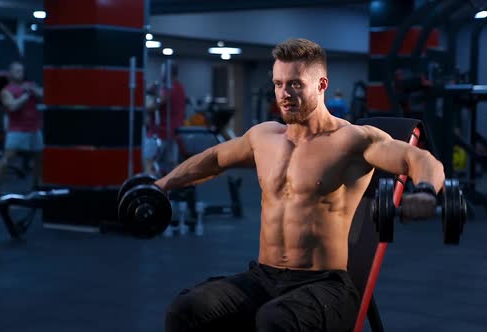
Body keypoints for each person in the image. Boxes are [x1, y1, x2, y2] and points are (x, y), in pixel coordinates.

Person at [156, 38, 445, 331]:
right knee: (187, 310)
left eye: (295, 84)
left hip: (324, 285)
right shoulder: (264, 136)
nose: (284, 93)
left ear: (321, 84)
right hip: (263, 278)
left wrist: (425, 191)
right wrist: (160, 185)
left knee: (275, 320)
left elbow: (417, 158)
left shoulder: (353, 140)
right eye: (279, 84)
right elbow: (216, 158)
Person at [0, 61, 43, 188]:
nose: (20, 74)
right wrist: (26, 95)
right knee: (7, 158)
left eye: (22, 71)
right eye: (17, 71)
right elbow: (12, 106)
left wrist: (33, 90)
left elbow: (44, 96)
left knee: (39, 159)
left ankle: (37, 187)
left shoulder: (30, 86)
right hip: (17, 130)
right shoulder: (6, 91)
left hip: (34, 129)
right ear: (10, 74)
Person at [143, 61, 187, 175]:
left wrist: (146, 97)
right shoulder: (180, 87)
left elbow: (152, 106)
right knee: (169, 168)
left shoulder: (168, 88)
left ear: (167, 73)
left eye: (162, 72)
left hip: (161, 134)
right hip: (174, 134)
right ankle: (168, 190)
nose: (161, 74)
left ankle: (151, 188)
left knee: (148, 162)